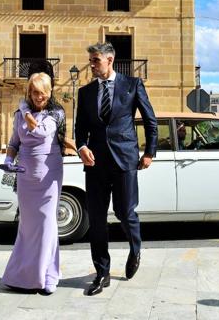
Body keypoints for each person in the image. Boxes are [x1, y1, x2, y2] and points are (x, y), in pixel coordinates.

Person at [75, 42, 157, 296]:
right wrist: (81, 147)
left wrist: (149, 152)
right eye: (91, 60)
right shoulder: (85, 92)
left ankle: (135, 248)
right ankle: (102, 273)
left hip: (125, 160)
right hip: (96, 164)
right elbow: (80, 128)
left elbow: (150, 121)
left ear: (110, 60)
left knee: (125, 212)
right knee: (97, 219)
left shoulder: (132, 85)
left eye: (96, 60)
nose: (91, 64)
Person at [0, 72, 67, 295]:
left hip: (49, 173)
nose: (38, 97)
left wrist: (25, 110)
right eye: (34, 92)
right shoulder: (20, 114)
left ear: (49, 93)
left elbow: (39, 132)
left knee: (47, 224)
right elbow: (14, 142)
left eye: (42, 92)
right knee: (28, 227)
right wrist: (9, 159)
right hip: (25, 173)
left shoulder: (56, 113)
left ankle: (49, 276)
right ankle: (22, 276)